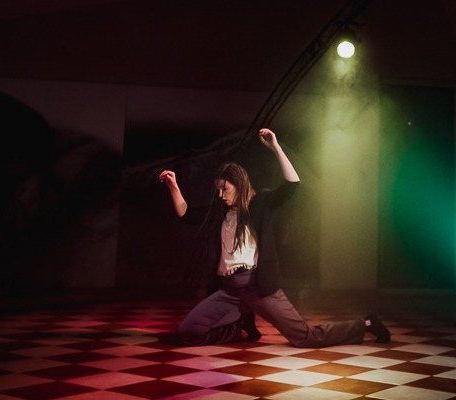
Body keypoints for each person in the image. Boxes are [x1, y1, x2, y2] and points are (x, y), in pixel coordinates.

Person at [158, 128, 390, 347]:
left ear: (239, 185)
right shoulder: (220, 212)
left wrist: (276, 147)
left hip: (257, 286)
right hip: (229, 290)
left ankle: (366, 324)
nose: (220, 195)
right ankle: (236, 328)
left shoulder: (260, 203)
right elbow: (186, 214)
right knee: (188, 332)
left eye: (225, 189)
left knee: (304, 338)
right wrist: (173, 186)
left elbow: (292, 186)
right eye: (218, 190)